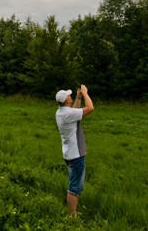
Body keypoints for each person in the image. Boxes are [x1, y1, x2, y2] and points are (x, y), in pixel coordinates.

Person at [55, 84, 94, 216]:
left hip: (69, 154)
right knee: (74, 188)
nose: (70, 96)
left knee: (74, 183)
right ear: (66, 100)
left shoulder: (60, 113)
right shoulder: (68, 113)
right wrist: (85, 93)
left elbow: (74, 112)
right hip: (76, 155)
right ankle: (73, 216)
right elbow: (90, 108)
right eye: (69, 96)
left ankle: (73, 211)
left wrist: (78, 97)